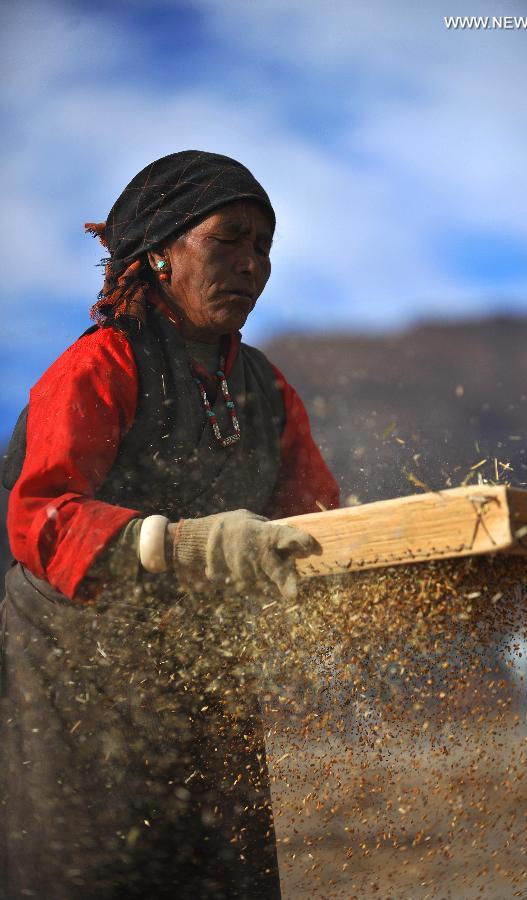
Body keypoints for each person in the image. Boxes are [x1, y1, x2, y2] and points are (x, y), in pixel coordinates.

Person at [0, 150, 339, 899]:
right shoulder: (98, 366)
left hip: (204, 675)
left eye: (264, 247)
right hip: (74, 683)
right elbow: (41, 517)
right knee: (98, 876)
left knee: (226, 879)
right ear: (158, 253)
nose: (252, 263)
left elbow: (314, 520)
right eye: (230, 239)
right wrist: (185, 543)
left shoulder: (265, 388)